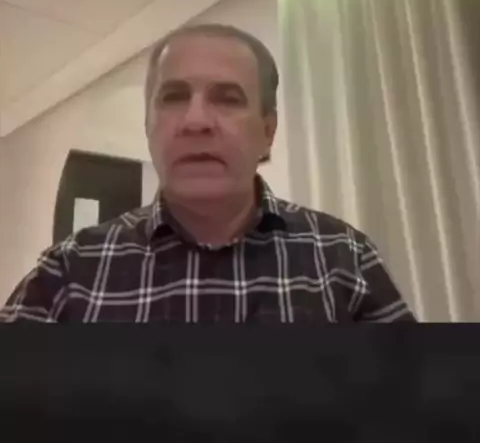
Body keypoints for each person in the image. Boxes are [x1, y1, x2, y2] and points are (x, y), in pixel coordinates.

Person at [0, 24, 416, 323]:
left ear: (267, 132)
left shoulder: (344, 256)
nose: (195, 121)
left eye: (228, 98)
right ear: (148, 126)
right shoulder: (68, 271)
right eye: (173, 97)